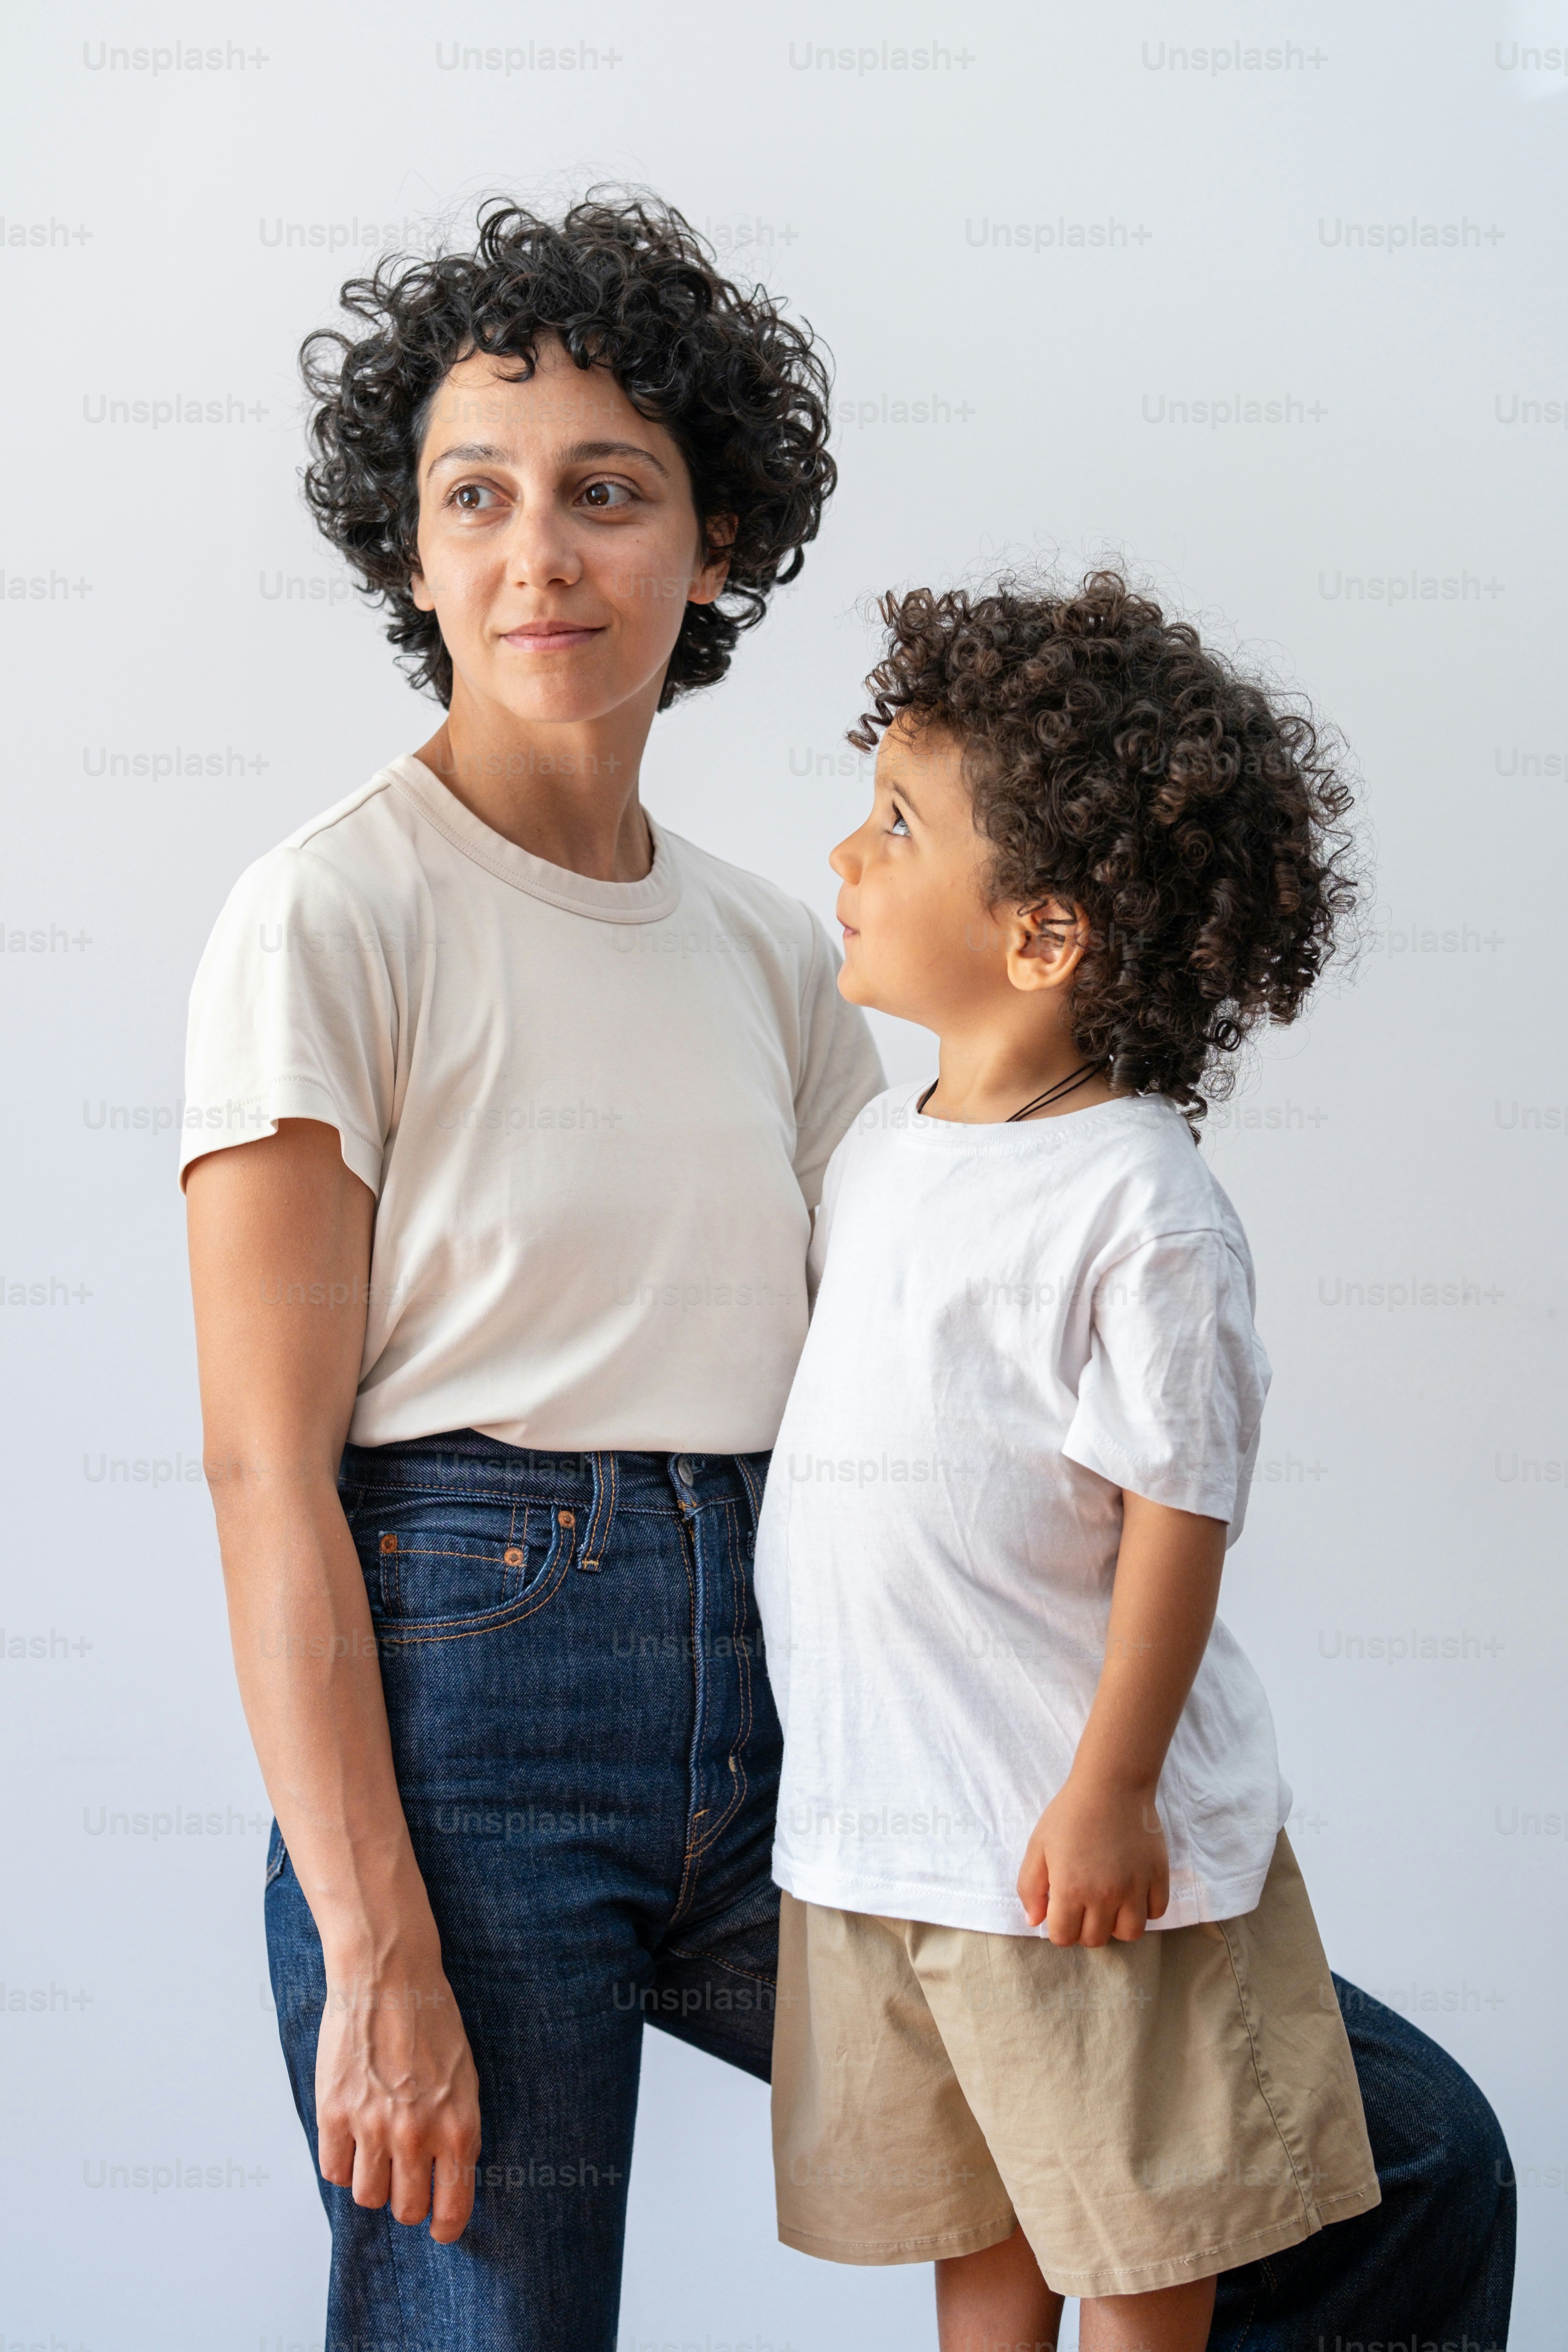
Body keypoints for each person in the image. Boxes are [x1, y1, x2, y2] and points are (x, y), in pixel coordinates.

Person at [179, 195, 1513, 2352]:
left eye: (610, 494)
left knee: (1397, 2163)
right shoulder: (326, 920)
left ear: (714, 551)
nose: (541, 556)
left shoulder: (772, 952)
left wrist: (1125, 1755)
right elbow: (266, 1481)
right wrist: (377, 1952)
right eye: (475, 498)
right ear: (408, 554)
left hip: (830, 1720)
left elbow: (956, 1327)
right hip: (477, 1714)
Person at [753, 574, 1516, 2352]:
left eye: (897, 825)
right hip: (893, 1836)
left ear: (1043, 937)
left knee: (1142, 2240)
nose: (847, 854)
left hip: (1061, 1843)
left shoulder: (1142, 1204)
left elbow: (1182, 1519)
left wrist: (1108, 1794)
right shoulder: (883, 1148)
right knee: (986, 2231)